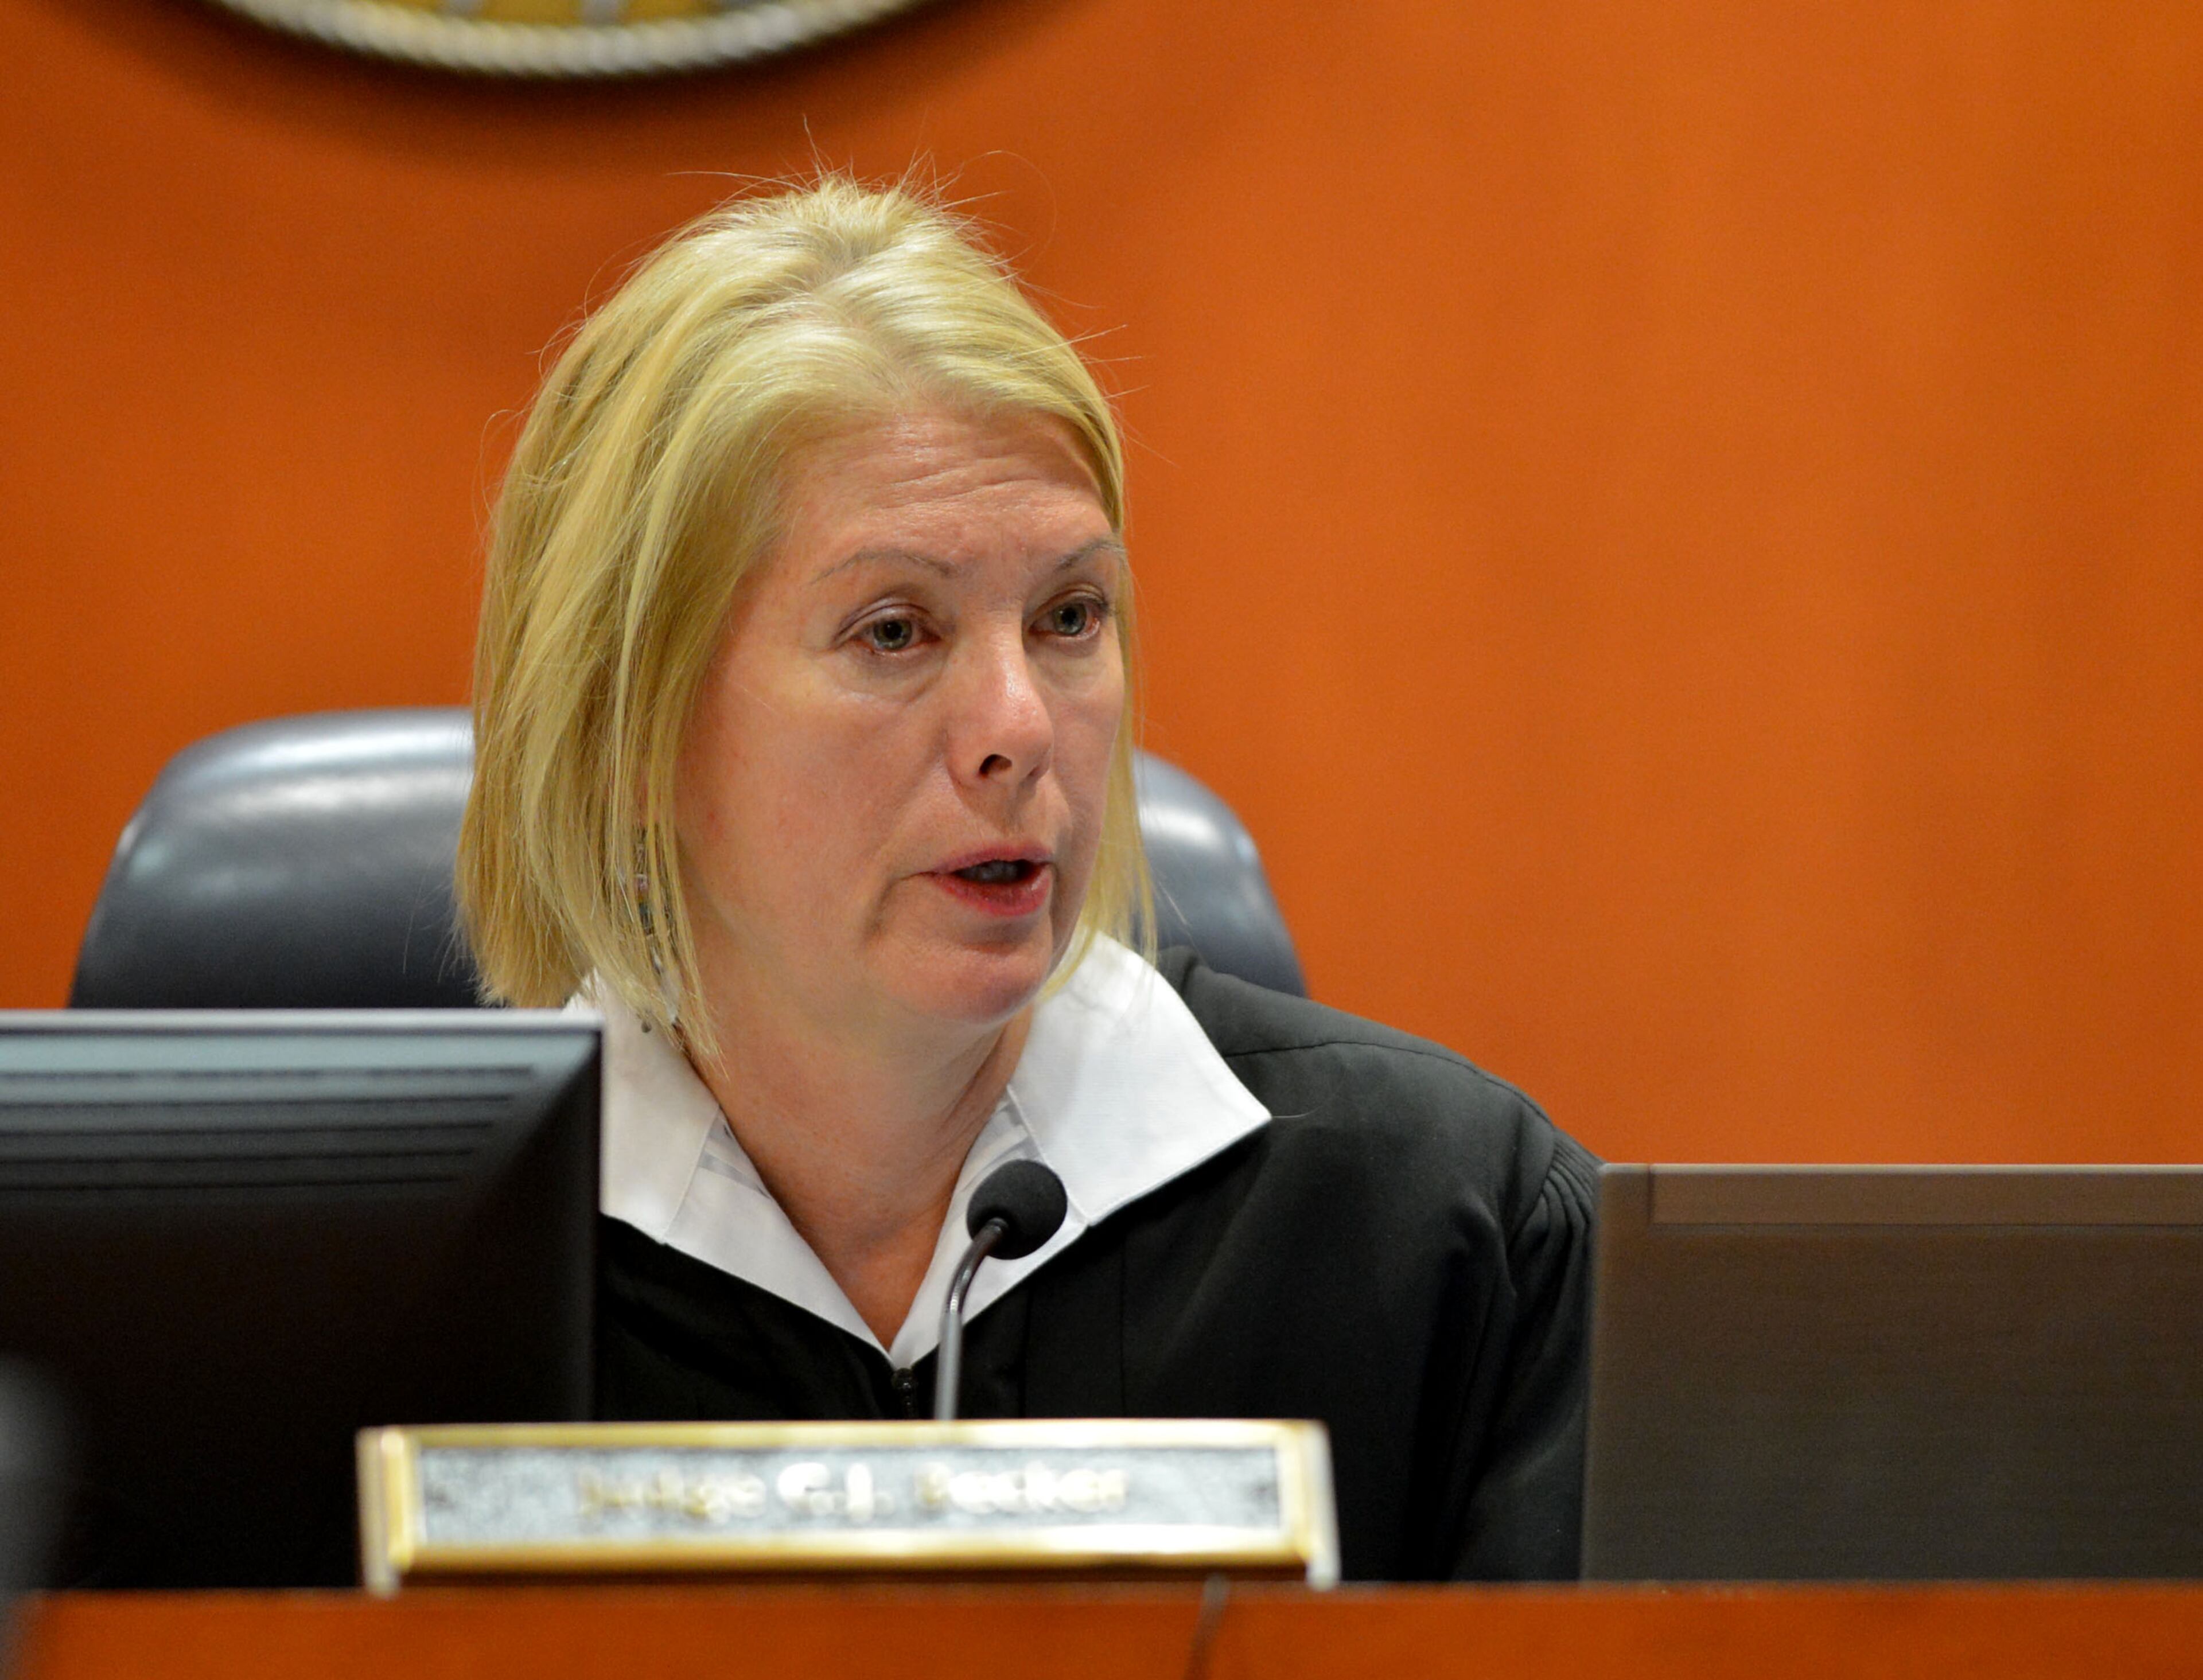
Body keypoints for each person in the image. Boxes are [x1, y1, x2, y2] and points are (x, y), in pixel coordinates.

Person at [455, 178, 1597, 1582]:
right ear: (631, 732)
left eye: (1069, 615)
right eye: (894, 630)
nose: (1018, 725)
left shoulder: (1449, 1227)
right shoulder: (407, 1285)